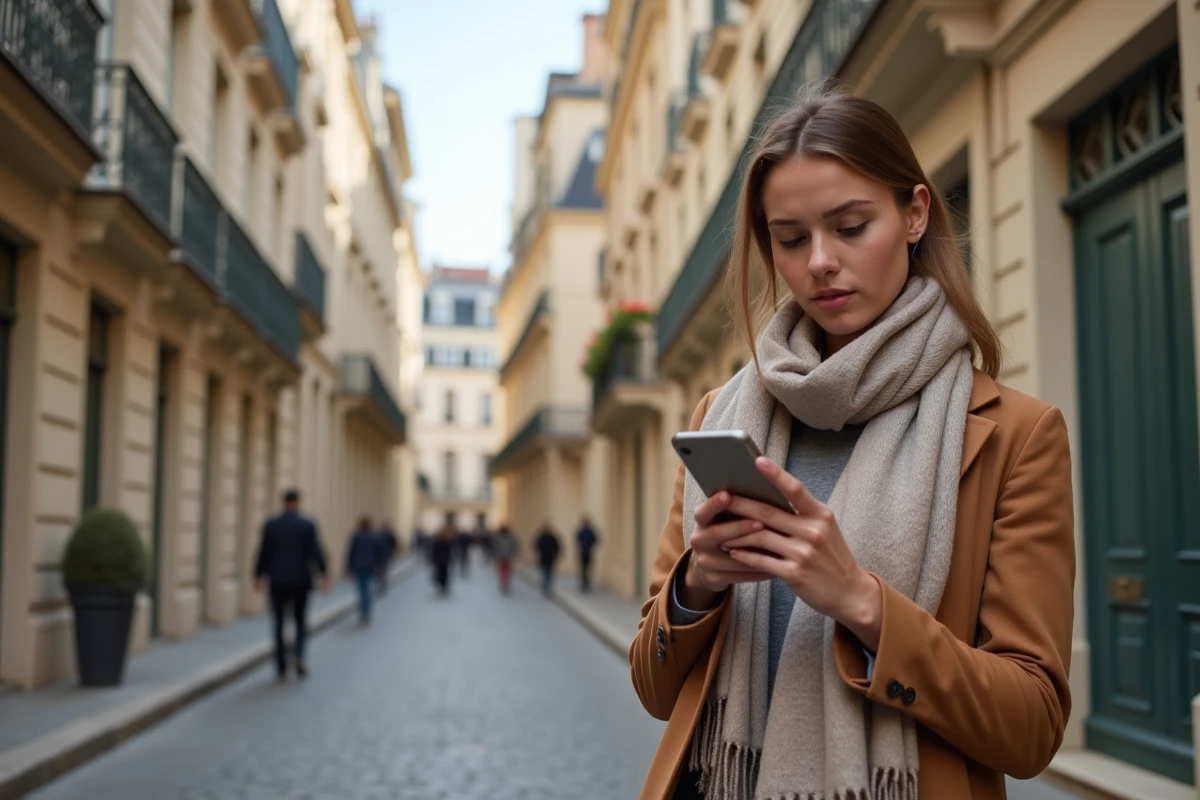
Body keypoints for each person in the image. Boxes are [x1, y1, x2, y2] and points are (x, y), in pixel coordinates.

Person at [631, 89, 1074, 800]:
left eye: (851, 225)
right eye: (791, 237)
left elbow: (1032, 727)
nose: (820, 262)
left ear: (915, 214)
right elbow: (655, 690)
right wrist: (697, 585)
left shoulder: (1016, 437)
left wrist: (863, 604)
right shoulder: (724, 413)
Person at [254, 489, 330, 682]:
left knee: (279, 623)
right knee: (300, 622)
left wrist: (257, 575)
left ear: (283, 502)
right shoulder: (308, 525)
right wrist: (324, 574)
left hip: (277, 581)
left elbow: (263, 551)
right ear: (297, 502)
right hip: (301, 581)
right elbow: (316, 551)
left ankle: (280, 666)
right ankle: (298, 655)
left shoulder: (272, 525)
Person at [345, 516, 383, 625]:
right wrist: (379, 566)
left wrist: (349, 568)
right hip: (370, 566)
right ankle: (366, 610)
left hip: (358, 566)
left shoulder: (356, 537)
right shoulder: (374, 537)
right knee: (367, 588)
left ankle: (363, 610)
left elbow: (351, 553)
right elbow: (379, 553)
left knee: (361, 589)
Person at [533, 523, 561, 598]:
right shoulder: (544, 537)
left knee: (548, 572)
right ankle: (546, 586)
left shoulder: (550, 537)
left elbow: (557, 547)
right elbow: (536, 546)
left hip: (548, 557)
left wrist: (555, 554)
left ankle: (546, 586)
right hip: (546, 557)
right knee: (546, 572)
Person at [431, 523, 456, 596]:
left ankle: (442, 585)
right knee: (443, 573)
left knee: (441, 573)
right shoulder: (445, 541)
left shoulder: (440, 541)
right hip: (443, 560)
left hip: (441, 560)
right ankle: (443, 586)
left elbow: (434, 551)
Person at [492, 525, 518, 595]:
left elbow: (495, 547)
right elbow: (515, 546)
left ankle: (503, 582)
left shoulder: (498, 538)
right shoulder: (511, 538)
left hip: (501, 557)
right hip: (508, 557)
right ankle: (506, 582)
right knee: (507, 570)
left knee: (502, 570)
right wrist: (513, 554)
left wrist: (495, 556)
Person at [575, 516, 599, 593]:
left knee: (586, 568)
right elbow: (578, 540)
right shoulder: (583, 531)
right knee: (584, 569)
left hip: (587, 552)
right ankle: (584, 583)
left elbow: (595, 540)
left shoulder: (589, 531)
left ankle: (586, 583)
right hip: (584, 552)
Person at [376, 521, 399, 595]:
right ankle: (381, 581)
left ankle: (382, 582)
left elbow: (394, 543)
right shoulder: (379, 535)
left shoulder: (389, 535)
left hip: (386, 555)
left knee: (383, 569)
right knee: (381, 570)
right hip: (382, 555)